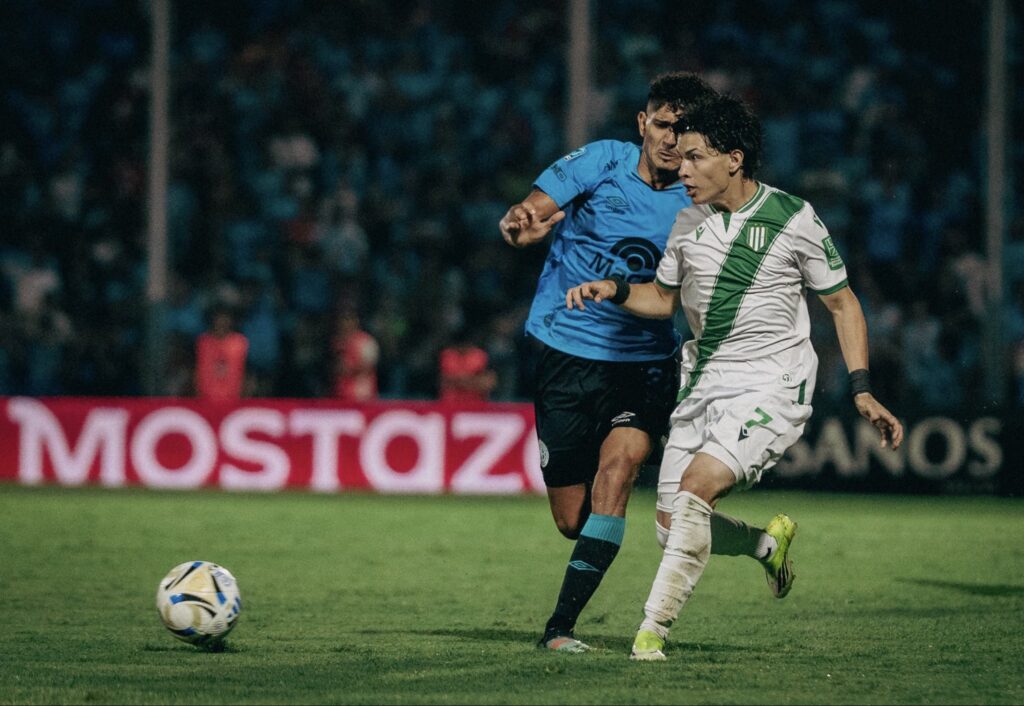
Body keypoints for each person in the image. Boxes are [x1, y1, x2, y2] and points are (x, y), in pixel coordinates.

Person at [565, 93, 904, 661]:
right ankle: (766, 545)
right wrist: (617, 290)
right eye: (681, 157)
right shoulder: (686, 222)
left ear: (734, 159)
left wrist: (862, 388)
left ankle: (651, 632)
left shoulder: (793, 218)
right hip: (702, 384)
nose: (682, 168)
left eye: (695, 157)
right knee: (672, 527)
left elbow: (843, 304)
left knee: (696, 490)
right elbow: (663, 300)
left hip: (772, 384)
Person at [501, 73, 790, 654]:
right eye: (662, 125)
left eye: (684, 131)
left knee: (620, 470)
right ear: (642, 123)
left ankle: (560, 629)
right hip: (563, 354)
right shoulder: (600, 162)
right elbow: (531, 209)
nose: (671, 140)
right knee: (572, 520)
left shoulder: (700, 199)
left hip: (644, 363)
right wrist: (521, 224)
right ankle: (762, 544)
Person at [195, 307, 249, 403]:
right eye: (219, 319)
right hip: (205, 398)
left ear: (231, 321)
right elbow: (196, 370)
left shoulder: (240, 342)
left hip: (233, 398)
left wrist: (243, 397)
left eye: (225, 320)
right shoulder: (203, 342)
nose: (221, 323)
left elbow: (245, 371)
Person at [331, 305, 380, 403]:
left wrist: (350, 368)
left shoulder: (365, 341)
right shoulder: (336, 342)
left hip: (361, 394)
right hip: (340, 395)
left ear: (355, 321)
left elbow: (369, 365)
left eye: (348, 319)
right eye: (343, 320)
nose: (345, 323)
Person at [438, 329, 497, 403]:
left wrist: (459, 381)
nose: (463, 349)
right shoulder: (447, 355)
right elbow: (443, 381)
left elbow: (488, 383)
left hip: (476, 403)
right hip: (450, 402)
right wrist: (472, 380)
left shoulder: (481, 356)